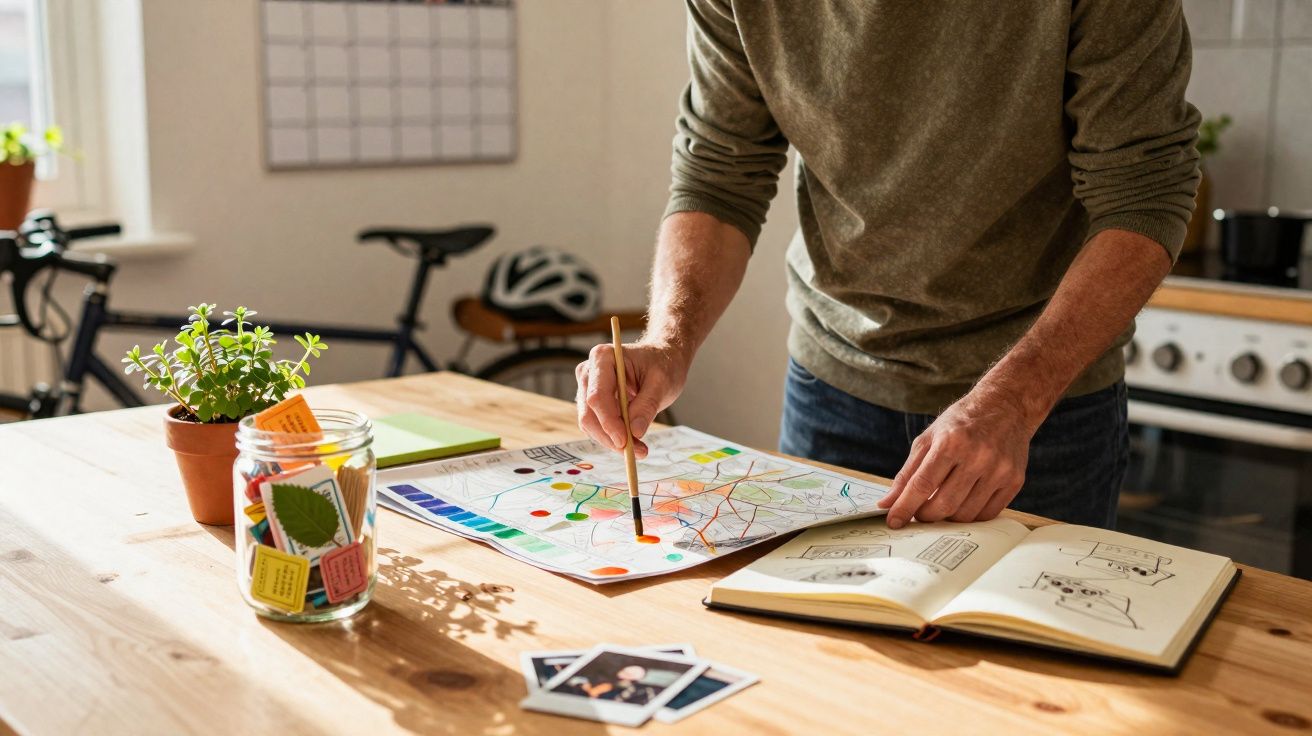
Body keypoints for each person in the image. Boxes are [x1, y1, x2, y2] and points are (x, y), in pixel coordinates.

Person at [574, 2, 1200, 530]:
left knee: (1033, 672)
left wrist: (1012, 403)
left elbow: (1143, 194)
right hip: (832, 390)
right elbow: (719, 175)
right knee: (824, 662)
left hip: (1042, 409)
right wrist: (669, 341)